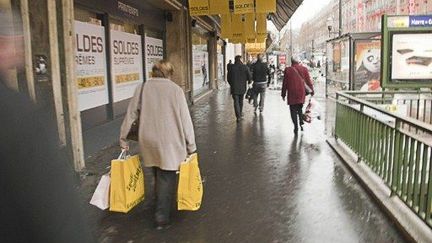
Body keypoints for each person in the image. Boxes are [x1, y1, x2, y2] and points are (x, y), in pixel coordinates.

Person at [0, 8, 93, 242]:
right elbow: (56, 211)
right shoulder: (15, 112)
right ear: (2, 44)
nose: (21, 50)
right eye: (17, 42)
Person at [120, 60, 196, 229]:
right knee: (166, 177)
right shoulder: (176, 90)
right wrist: (191, 146)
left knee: (156, 171)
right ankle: (161, 217)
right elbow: (185, 120)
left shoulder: (142, 87)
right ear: (169, 73)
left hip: (148, 140)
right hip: (170, 142)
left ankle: (158, 201)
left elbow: (131, 113)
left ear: (153, 72)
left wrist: (123, 137)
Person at [281, 57, 314, 135]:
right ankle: (301, 121)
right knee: (299, 107)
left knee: (292, 110)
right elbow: (308, 81)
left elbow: (285, 83)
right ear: (298, 62)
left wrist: (283, 94)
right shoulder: (304, 69)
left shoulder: (288, 70)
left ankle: (296, 126)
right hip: (301, 92)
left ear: (291, 62)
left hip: (291, 93)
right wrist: (312, 91)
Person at [227, 55, 252, 122]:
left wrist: (232, 84)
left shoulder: (231, 67)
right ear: (240, 59)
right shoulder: (245, 67)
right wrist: (249, 82)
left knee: (236, 102)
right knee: (241, 101)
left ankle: (238, 116)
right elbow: (250, 77)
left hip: (234, 88)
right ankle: (240, 114)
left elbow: (228, 78)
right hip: (242, 88)